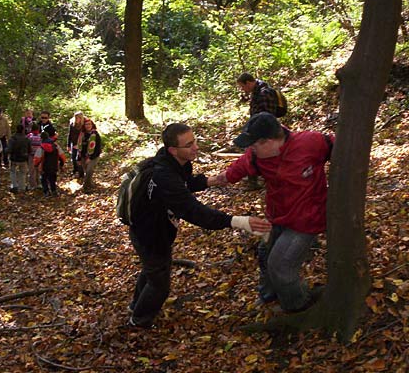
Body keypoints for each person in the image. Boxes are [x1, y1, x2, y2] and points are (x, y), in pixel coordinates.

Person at [127, 123, 272, 329]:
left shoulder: (175, 162)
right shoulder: (163, 176)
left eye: (194, 140)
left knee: (153, 269)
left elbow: (184, 183)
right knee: (159, 284)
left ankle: (135, 306)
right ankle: (138, 321)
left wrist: (210, 181)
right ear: (173, 149)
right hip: (149, 235)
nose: (195, 147)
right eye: (189, 144)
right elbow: (193, 211)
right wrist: (238, 221)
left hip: (156, 231)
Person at [213, 112, 334, 312]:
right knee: (264, 253)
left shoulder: (310, 142)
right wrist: (199, 183)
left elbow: (341, 147)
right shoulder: (257, 156)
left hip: (305, 221)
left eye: (254, 144)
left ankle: (296, 306)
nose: (251, 149)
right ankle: (269, 295)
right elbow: (234, 171)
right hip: (277, 216)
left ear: (268, 141)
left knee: (280, 266)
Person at [34, 131, 66, 197]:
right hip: (54, 166)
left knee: (44, 179)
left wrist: (36, 165)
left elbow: (37, 158)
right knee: (52, 179)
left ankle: (46, 191)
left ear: (41, 138)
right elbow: (62, 156)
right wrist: (62, 164)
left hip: (44, 167)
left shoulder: (41, 147)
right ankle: (54, 191)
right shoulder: (56, 146)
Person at [77, 118, 102, 193]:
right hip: (83, 156)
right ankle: (90, 184)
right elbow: (79, 147)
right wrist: (79, 158)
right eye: (86, 124)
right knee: (86, 172)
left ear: (92, 125)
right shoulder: (82, 134)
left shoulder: (95, 135)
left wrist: (90, 158)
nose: (88, 126)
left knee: (89, 171)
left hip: (94, 156)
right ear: (84, 125)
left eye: (89, 124)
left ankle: (85, 187)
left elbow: (98, 148)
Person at [7, 124, 31, 193]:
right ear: (23, 130)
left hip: (14, 159)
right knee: (23, 173)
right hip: (23, 159)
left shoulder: (12, 138)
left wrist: (5, 151)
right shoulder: (26, 139)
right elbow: (29, 149)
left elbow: (9, 149)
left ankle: (14, 186)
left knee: (12, 172)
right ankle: (22, 187)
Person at [67, 111, 85, 176]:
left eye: (79, 118)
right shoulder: (72, 124)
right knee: (73, 158)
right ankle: (75, 170)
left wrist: (80, 144)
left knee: (79, 159)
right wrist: (68, 145)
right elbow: (70, 134)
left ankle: (81, 173)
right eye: (76, 118)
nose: (77, 119)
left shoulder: (83, 125)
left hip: (81, 144)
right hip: (73, 143)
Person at [26, 122, 42, 190]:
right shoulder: (40, 136)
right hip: (39, 156)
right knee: (38, 170)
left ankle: (32, 185)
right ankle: (38, 183)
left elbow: (26, 145)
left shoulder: (29, 136)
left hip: (31, 155)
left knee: (31, 170)